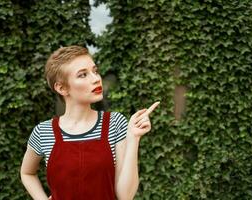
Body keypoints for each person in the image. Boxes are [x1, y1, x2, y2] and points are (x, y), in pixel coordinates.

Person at [20, 45, 160, 200]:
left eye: (95, 71)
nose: (96, 79)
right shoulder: (43, 132)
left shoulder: (115, 123)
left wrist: (133, 137)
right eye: (83, 75)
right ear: (61, 88)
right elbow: (27, 173)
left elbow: (125, 196)